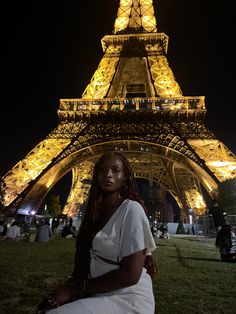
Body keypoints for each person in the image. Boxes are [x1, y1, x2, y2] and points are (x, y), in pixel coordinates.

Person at [36, 152, 157, 314]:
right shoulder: (94, 213)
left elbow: (131, 274)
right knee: (41, 309)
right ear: (96, 175)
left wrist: (74, 290)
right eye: (103, 170)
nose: (108, 174)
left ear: (125, 178)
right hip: (98, 291)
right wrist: (70, 286)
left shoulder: (132, 210)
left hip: (128, 298)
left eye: (116, 170)